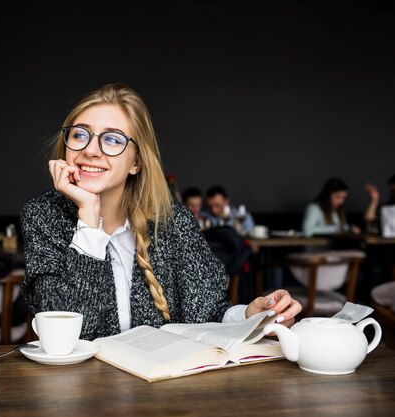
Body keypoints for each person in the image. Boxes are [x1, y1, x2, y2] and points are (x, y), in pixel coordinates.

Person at [20, 83, 300, 341]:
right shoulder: (44, 217)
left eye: (113, 140)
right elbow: (66, 335)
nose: (91, 150)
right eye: (81, 134)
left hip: (161, 390)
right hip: (83, 389)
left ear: (136, 162)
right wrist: (89, 219)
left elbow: (208, 314)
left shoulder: (173, 221)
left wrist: (252, 317)